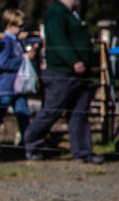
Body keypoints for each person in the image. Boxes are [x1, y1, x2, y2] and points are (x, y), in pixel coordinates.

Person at [23, 0, 103, 163]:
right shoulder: (56, 13)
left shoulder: (71, 13)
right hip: (61, 72)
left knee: (79, 113)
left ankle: (82, 152)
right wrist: (73, 60)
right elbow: (59, 41)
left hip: (79, 73)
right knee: (52, 110)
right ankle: (31, 143)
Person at [0, 9, 35, 145]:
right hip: (7, 85)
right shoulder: (6, 42)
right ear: (10, 25)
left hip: (19, 86)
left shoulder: (18, 42)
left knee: (23, 115)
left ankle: (27, 143)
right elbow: (4, 63)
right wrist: (22, 59)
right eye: (19, 26)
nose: (21, 29)